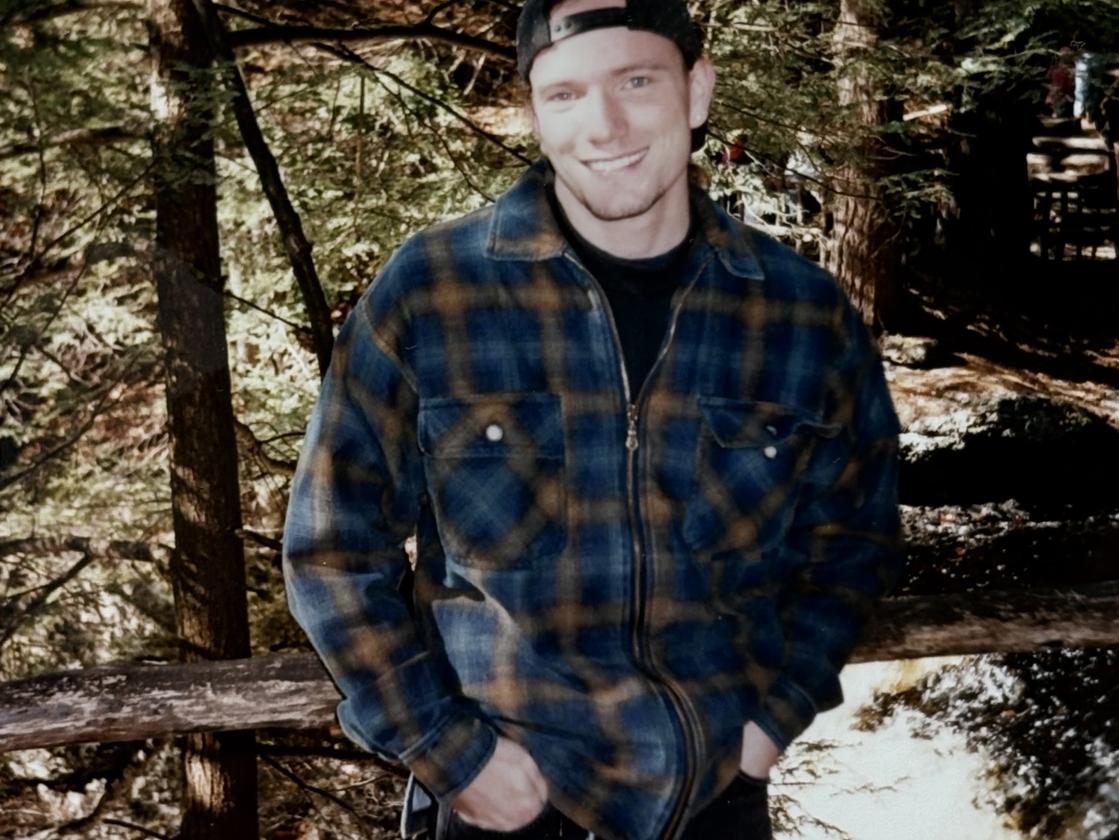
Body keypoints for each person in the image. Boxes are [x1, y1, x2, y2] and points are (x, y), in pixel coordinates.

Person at [282, 0, 903, 838]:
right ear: (536, 114)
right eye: (565, 94)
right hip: (503, 803)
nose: (603, 125)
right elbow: (330, 547)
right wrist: (445, 751)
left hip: (714, 801)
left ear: (696, 90)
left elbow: (851, 539)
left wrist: (771, 720)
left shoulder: (799, 312)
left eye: (636, 82)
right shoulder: (433, 292)